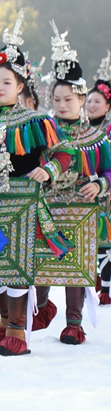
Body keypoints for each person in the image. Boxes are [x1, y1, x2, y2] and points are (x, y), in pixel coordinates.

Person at [0, 8, 71, 357]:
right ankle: (5, 319)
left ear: (21, 85)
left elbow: (64, 154)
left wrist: (48, 171)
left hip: (21, 203)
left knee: (16, 265)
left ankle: (18, 331)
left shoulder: (36, 120)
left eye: (6, 82)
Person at [29, 22, 110, 345]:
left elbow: (108, 171)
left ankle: (74, 322)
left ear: (81, 99)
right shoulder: (44, 131)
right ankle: (40, 307)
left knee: (76, 266)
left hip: (82, 209)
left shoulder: (98, 136)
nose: (62, 106)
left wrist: (100, 186)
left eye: (69, 100)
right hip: (48, 206)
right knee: (41, 260)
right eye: (57, 100)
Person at [88, 51, 111, 304]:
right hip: (89, 191)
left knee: (107, 237)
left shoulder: (108, 130)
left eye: (97, 102)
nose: (92, 105)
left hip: (107, 189)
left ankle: (106, 286)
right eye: (89, 101)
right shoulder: (83, 129)